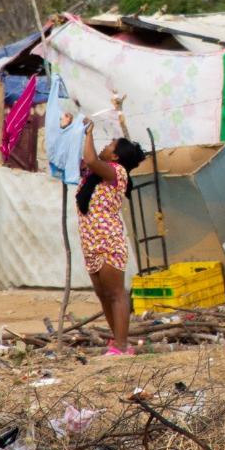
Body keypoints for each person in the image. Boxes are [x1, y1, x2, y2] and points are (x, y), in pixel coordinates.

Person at [69, 115, 148, 356]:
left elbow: (90, 157)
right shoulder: (95, 177)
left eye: (109, 145)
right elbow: (85, 159)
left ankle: (122, 346)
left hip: (108, 242)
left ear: (115, 157)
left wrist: (89, 133)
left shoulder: (117, 172)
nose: (104, 147)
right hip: (91, 243)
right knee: (103, 295)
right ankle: (117, 342)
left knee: (116, 294)